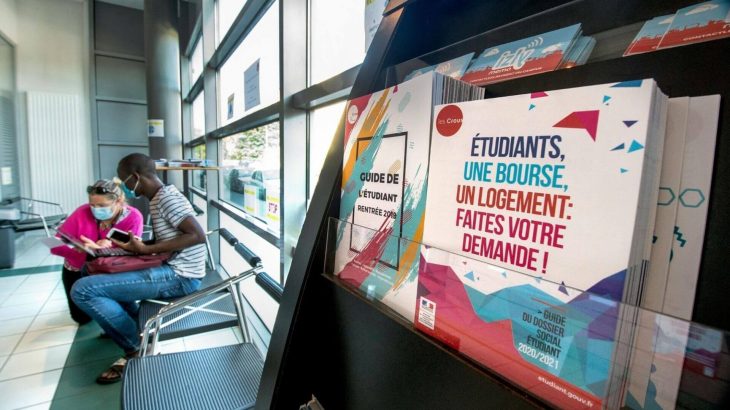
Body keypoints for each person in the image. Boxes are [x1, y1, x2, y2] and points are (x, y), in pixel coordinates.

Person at [71, 153, 207, 384]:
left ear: (135, 177)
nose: (123, 185)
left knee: (83, 290)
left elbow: (197, 235)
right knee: (91, 270)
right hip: (170, 266)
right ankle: (134, 327)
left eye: (123, 180)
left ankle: (135, 347)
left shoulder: (166, 199)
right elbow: (169, 238)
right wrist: (140, 246)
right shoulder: (158, 198)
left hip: (181, 276)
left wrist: (145, 249)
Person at [51, 179, 143, 324]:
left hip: (113, 271)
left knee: (120, 312)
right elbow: (55, 244)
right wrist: (84, 249)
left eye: (102, 205)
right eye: (92, 205)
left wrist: (104, 250)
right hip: (77, 269)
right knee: (81, 318)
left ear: (119, 201)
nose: (95, 209)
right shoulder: (82, 212)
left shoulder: (133, 217)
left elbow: (132, 251)